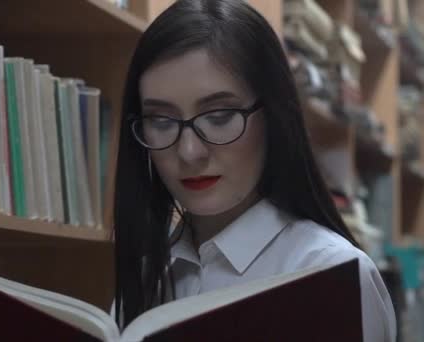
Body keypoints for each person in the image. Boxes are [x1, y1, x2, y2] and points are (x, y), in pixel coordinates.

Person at [112, 0, 397, 340]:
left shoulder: (330, 274)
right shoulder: (150, 275)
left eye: (219, 117)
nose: (189, 152)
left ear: (273, 116)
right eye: (161, 121)